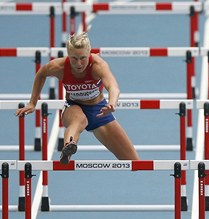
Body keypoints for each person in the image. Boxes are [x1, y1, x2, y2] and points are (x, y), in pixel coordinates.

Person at [16, 32, 138, 164]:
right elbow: (41, 74)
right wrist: (32, 103)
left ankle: (70, 145)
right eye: (74, 58)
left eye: (83, 58)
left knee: (134, 162)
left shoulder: (98, 65)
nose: (79, 63)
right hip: (74, 107)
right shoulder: (59, 66)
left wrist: (112, 103)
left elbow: (113, 86)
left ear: (89, 53)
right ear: (68, 55)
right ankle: (68, 148)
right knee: (79, 120)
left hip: (99, 110)